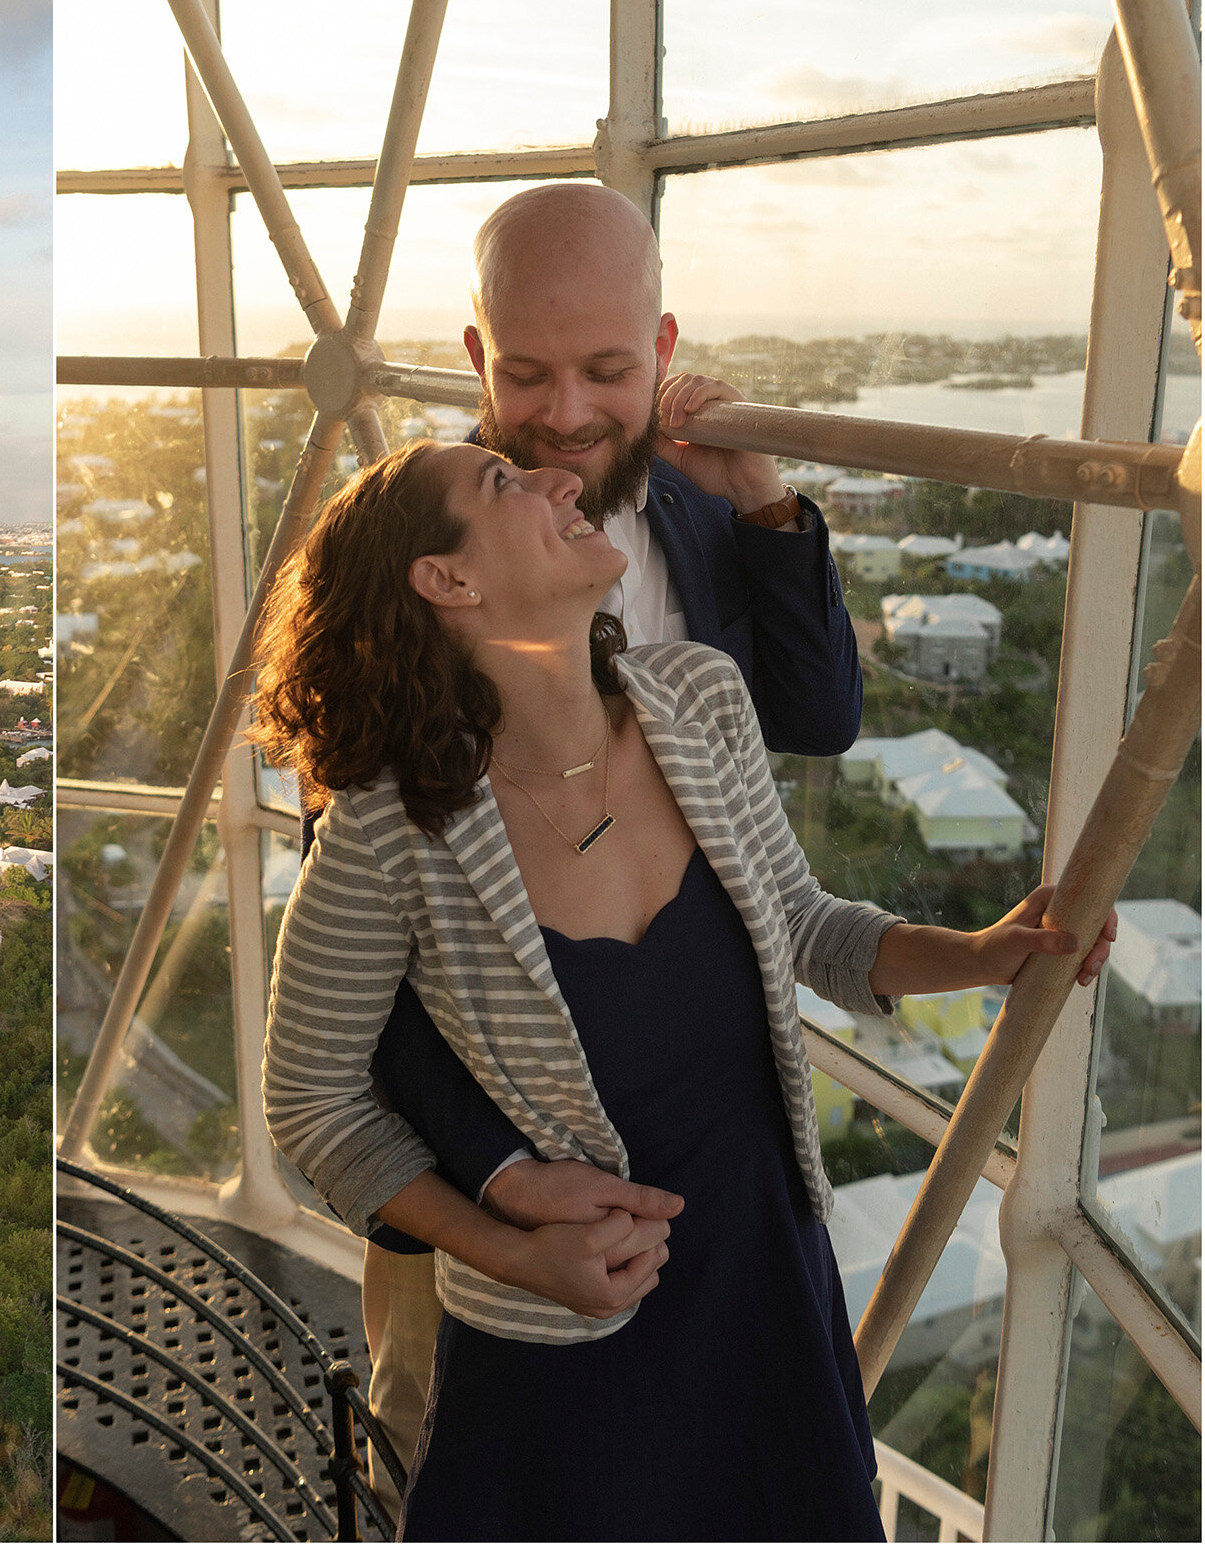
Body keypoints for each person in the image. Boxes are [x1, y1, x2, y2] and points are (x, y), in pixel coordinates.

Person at [256, 441, 1113, 1541]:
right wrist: (511, 1251)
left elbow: (804, 924)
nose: (560, 481)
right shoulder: (387, 831)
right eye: (503, 485)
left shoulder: (698, 699)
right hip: (560, 1347)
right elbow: (310, 1099)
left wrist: (978, 951)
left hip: (760, 1283)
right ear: (446, 581)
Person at [356, 182, 867, 1497]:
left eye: (607, 369)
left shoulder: (697, 519)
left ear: (664, 351)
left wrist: (760, 506)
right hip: (497, 1218)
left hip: (712, 1170)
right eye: (525, 373)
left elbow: (818, 714)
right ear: (475, 355)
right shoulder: (417, 557)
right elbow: (382, 965)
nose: (569, 414)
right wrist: (509, 1192)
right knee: (458, 1461)